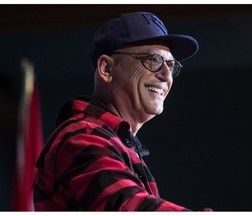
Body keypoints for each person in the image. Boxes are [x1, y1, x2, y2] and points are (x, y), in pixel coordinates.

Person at [33, 11, 208, 211]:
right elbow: (126, 206)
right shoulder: (81, 137)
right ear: (106, 68)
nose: (167, 76)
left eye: (171, 65)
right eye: (153, 60)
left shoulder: (117, 143)